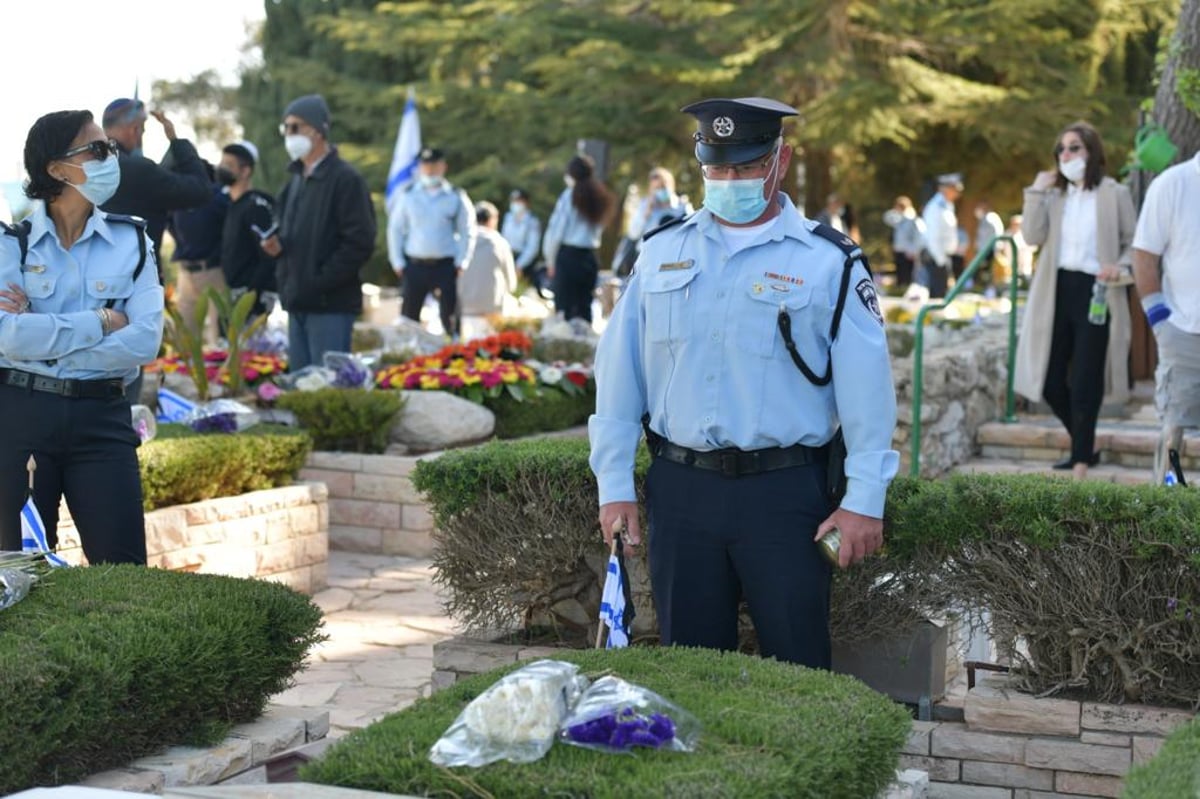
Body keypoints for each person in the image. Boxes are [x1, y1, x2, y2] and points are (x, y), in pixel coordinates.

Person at [588, 97, 898, 669]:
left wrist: (864, 501)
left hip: (783, 497)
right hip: (682, 490)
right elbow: (618, 375)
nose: (730, 180)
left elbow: (868, 392)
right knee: (690, 672)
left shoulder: (831, 261)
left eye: (747, 167)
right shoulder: (660, 252)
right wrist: (614, 483)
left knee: (797, 670)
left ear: (779, 160)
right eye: (717, 168)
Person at [0, 110, 164, 564]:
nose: (110, 156)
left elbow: (146, 340)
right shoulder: (9, 244)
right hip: (21, 421)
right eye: (97, 149)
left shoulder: (133, 240)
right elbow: (8, 338)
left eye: (109, 147)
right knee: (21, 573)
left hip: (102, 419)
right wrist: (104, 321)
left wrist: (43, 343)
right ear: (56, 169)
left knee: (124, 572)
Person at [1014, 121, 1136, 479]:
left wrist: (1120, 266)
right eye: (1061, 150)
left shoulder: (1115, 193)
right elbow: (1032, 236)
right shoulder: (1054, 196)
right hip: (1056, 291)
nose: (1065, 155)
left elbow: (1133, 241)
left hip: (1097, 291)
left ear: (1091, 152)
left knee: (1086, 379)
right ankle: (1086, 443)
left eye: (1074, 148)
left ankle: (1081, 459)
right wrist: (1036, 190)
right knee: (1050, 381)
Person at [262, 94, 376, 371]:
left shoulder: (345, 180)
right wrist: (278, 246)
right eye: (285, 128)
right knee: (302, 387)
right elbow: (293, 235)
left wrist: (318, 281)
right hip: (298, 300)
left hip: (330, 305)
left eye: (294, 127)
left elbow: (359, 242)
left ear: (317, 130)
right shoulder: (295, 181)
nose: (288, 135)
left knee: (329, 388)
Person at [1132, 148, 1200, 484]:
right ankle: (1167, 521)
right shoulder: (1173, 184)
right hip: (1184, 332)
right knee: (1174, 435)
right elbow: (1144, 256)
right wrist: (1161, 323)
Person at [99, 98, 211, 273]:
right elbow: (201, 191)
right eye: (142, 130)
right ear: (134, 129)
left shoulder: (83, 166)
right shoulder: (139, 170)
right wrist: (176, 141)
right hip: (138, 281)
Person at [388, 147, 476, 338]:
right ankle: (406, 358)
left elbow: (467, 230)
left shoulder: (455, 195)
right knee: (409, 319)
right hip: (415, 264)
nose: (430, 171)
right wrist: (397, 261)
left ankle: (455, 353)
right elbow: (395, 229)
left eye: (434, 166)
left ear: (443, 167)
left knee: (450, 317)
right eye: (426, 166)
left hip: (445, 265)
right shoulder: (408, 195)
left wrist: (463, 261)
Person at [543, 154, 615, 323]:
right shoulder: (599, 196)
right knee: (584, 308)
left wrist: (550, 260)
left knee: (564, 309)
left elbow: (556, 232)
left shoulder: (569, 196)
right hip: (589, 257)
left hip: (568, 257)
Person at [167, 162, 228, 345]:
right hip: (186, 272)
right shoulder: (179, 199)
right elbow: (171, 225)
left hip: (214, 270)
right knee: (185, 338)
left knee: (216, 337)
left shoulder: (218, 197)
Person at [216, 140, 277, 317]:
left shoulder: (255, 207)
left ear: (245, 171)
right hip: (234, 299)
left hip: (253, 303)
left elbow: (269, 256)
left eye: (229, 165)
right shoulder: (233, 205)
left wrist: (252, 296)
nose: (222, 168)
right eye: (222, 163)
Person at [459, 201, 517, 323]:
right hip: (492, 307)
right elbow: (511, 283)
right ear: (492, 220)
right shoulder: (500, 243)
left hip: (461, 305)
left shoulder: (460, 241)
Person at [920, 173, 962, 298]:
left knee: (943, 293)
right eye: (955, 189)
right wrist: (941, 261)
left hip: (942, 257)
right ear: (945, 189)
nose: (958, 193)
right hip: (936, 257)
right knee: (937, 295)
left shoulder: (947, 205)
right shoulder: (935, 207)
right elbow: (934, 236)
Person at [624, 167, 691, 241]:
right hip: (649, 250)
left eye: (663, 187)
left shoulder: (682, 206)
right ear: (651, 189)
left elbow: (692, 231)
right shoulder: (644, 205)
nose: (660, 190)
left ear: (671, 186)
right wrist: (646, 213)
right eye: (656, 188)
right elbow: (633, 234)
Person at [500, 188, 544, 292]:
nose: (516, 204)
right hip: (507, 256)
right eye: (514, 201)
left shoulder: (532, 221)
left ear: (526, 203)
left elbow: (532, 247)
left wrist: (519, 266)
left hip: (524, 262)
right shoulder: (508, 217)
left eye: (519, 201)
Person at [883, 195, 923, 289]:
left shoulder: (913, 219)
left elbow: (918, 237)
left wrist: (913, 251)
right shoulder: (900, 218)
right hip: (899, 250)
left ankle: (907, 290)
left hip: (908, 252)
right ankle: (901, 289)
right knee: (900, 273)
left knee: (908, 274)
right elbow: (886, 217)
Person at [972, 201, 1004, 286]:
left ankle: (989, 288)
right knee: (983, 270)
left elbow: (997, 234)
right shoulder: (985, 218)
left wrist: (997, 247)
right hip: (985, 249)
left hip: (989, 249)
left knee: (987, 270)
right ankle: (983, 287)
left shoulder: (990, 218)